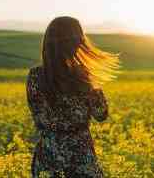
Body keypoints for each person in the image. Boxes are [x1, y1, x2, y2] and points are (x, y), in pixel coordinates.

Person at [26, 16, 119, 177]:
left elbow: (39, 119)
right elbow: (101, 114)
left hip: (48, 156)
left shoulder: (35, 76)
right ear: (76, 43)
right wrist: (90, 83)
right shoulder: (82, 77)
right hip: (80, 158)